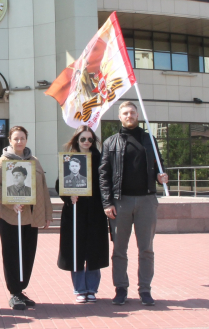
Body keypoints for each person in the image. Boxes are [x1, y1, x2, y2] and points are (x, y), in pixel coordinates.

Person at [99, 101, 169, 307]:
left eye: (132, 112)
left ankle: (145, 290)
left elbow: (159, 164)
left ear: (137, 115)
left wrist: (161, 176)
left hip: (147, 201)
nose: (129, 115)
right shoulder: (110, 142)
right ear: (119, 117)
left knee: (146, 249)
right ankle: (120, 289)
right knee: (120, 250)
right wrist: (107, 202)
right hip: (121, 202)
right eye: (125, 113)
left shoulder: (149, 140)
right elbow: (104, 175)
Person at [0, 126, 53, 310]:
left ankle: (21, 289)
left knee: (27, 255)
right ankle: (14, 292)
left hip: (31, 218)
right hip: (11, 218)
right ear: (10, 140)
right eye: (16, 138)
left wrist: (47, 214)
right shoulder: (3, 162)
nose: (19, 141)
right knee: (12, 255)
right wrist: (11, 203)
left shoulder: (34, 161)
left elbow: (43, 187)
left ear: (26, 140)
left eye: (22, 138)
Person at [55, 126, 109, 303]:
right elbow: (60, 184)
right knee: (76, 250)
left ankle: (92, 288)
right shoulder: (70, 159)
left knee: (94, 250)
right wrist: (68, 196)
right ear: (77, 141)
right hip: (75, 211)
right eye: (83, 139)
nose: (86, 142)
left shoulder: (101, 159)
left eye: (90, 139)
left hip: (95, 212)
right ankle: (79, 288)